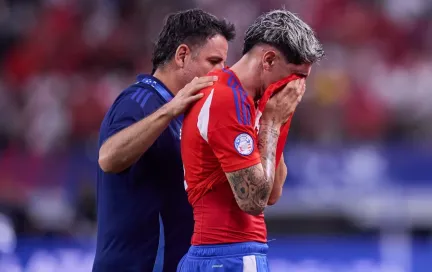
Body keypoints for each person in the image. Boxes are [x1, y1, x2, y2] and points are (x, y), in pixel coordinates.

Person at [179, 9, 324, 271]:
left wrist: (276, 120)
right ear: (268, 60)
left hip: (229, 253)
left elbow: (273, 192)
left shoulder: (253, 103)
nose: (298, 89)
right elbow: (253, 200)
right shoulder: (226, 99)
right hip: (226, 255)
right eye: (296, 76)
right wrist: (271, 123)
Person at [93, 9, 235, 272]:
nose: (221, 72)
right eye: (214, 61)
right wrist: (170, 110)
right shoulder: (139, 101)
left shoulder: (185, 114)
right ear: (182, 56)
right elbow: (108, 157)